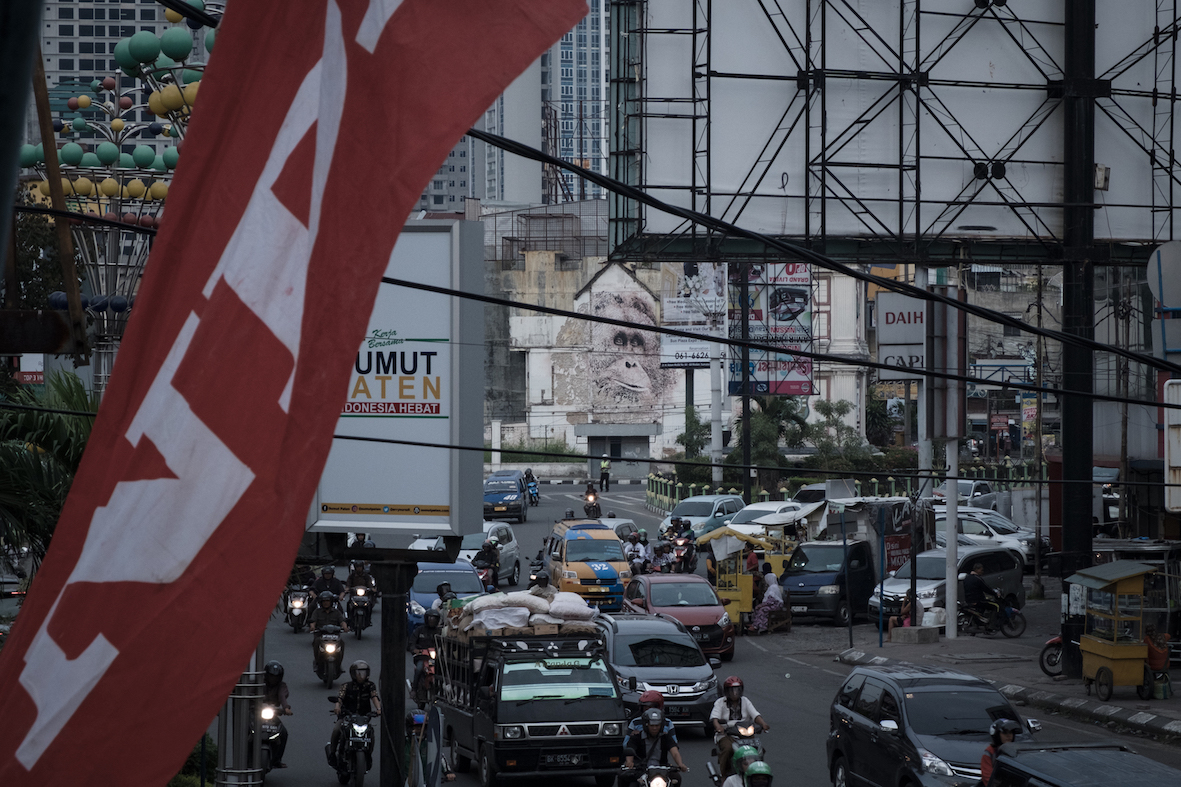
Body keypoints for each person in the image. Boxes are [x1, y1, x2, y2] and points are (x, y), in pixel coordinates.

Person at [710, 677, 770, 778]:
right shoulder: (720, 702)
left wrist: (763, 724)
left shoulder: (745, 701)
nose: (735, 693)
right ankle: (724, 776)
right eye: (732, 690)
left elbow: (755, 715)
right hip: (727, 734)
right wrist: (718, 726)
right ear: (726, 691)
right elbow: (714, 717)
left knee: (759, 749)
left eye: (737, 690)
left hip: (744, 732)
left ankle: (759, 772)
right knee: (727, 749)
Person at [330, 660, 382, 767]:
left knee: (370, 734)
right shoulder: (346, 686)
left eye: (364, 673)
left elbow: (374, 697)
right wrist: (337, 707)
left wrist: (378, 709)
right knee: (336, 730)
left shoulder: (370, 685)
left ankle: (368, 755)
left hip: (363, 718)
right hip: (347, 717)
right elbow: (339, 698)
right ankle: (332, 753)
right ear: (353, 674)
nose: (361, 676)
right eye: (359, 673)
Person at [622, 708, 687, 787]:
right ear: (646, 725)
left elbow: (675, 752)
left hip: (662, 769)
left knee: (677, 778)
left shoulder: (666, 737)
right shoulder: (636, 737)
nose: (654, 728)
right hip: (641, 769)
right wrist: (629, 762)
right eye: (652, 725)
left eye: (657, 725)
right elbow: (630, 750)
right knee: (629, 781)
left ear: (661, 725)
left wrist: (680, 764)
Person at [404, 710, 456, 786]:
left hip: (425, 782)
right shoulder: (404, 743)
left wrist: (447, 772)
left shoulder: (429, 744)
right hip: (406, 782)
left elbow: (439, 757)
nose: (420, 729)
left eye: (422, 727)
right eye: (417, 727)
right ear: (410, 727)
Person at [261, 660, 292, 769]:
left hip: (272, 714)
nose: (273, 679)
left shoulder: (282, 686)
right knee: (245, 729)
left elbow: (282, 696)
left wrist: (286, 708)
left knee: (283, 733)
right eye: (271, 676)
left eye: (276, 677)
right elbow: (251, 693)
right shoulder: (259, 683)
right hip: (255, 712)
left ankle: (277, 760)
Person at [409, 609, 443, 689]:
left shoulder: (439, 632)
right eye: (430, 618)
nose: (431, 620)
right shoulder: (420, 630)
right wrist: (414, 649)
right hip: (422, 657)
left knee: (441, 671)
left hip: (434, 659)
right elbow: (411, 643)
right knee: (419, 669)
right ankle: (414, 688)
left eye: (434, 618)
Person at [980, 718, 1020, 785]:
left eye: (1010, 732)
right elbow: (988, 779)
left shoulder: (1017, 752)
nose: (1008, 735)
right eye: (1005, 732)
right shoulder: (990, 753)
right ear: (997, 735)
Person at [962, 562, 994, 627]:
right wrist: (995, 593)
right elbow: (986, 588)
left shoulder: (967, 578)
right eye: (981, 570)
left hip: (968, 600)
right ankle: (991, 625)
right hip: (977, 600)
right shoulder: (977, 579)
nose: (982, 572)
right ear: (977, 569)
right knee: (995, 607)